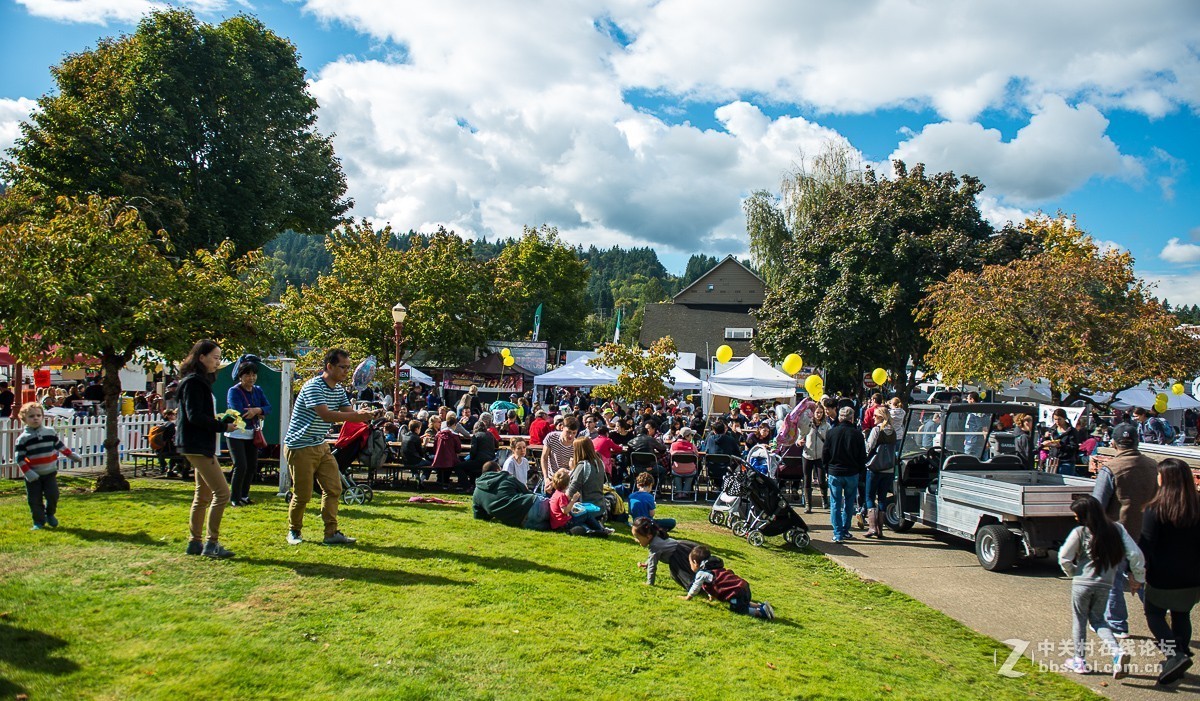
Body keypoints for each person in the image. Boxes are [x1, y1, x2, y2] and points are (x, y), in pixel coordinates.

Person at [283, 348, 375, 546]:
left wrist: (366, 414)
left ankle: (331, 533)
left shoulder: (339, 390)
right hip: (299, 446)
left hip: (319, 445)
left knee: (334, 489)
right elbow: (326, 415)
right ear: (329, 366)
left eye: (349, 368)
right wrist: (355, 416)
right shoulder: (313, 387)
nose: (346, 371)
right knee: (303, 494)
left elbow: (349, 414)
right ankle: (294, 531)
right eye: (343, 367)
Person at [1058, 496, 1145, 678]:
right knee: (1098, 621)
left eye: (1077, 515)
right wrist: (1138, 577)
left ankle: (1079, 660)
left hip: (1082, 584)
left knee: (1080, 621)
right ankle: (1117, 652)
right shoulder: (1117, 529)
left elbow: (1064, 557)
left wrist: (1073, 573)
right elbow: (1135, 554)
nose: (1075, 519)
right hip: (1106, 584)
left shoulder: (1080, 532)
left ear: (1084, 516)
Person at [1090, 422, 1159, 638]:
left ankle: (1117, 625)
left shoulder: (1111, 469)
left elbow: (1097, 505)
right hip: (1147, 533)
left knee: (1113, 581)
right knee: (1143, 579)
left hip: (1117, 533)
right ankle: (1160, 622)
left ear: (1114, 443)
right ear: (1137, 441)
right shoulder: (1153, 466)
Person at [1137, 458, 1200, 685]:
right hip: (1192, 577)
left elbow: (1146, 546)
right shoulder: (1196, 507)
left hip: (1161, 577)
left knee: (1154, 615)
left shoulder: (1155, 510)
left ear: (1165, 479)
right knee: (1181, 614)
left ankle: (1175, 655)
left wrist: (1135, 573)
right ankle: (1180, 657)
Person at [176, 340, 238, 558]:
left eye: (219, 358)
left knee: (202, 495)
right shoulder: (194, 382)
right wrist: (223, 425)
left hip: (198, 444)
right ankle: (212, 543)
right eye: (214, 357)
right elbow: (195, 416)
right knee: (222, 493)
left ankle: (195, 542)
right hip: (198, 445)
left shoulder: (197, 381)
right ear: (201, 357)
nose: (217, 362)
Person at [15, 402, 82, 529]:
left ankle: (49, 514)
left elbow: (60, 446)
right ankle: (38, 522)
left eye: (38, 415)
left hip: (50, 472)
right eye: (31, 416)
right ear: (24, 419)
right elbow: (20, 458)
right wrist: (28, 473)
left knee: (53, 495)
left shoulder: (50, 432)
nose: (35, 418)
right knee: (34, 500)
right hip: (33, 475)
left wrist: (71, 455)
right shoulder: (23, 439)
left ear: (42, 417)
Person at [680, 545, 774, 620]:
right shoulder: (714, 566)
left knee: (738, 609)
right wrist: (711, 596)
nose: (690, 565)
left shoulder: (702, 573)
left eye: (690, 562)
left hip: (735, 592)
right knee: (743, 602)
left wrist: (688, 597)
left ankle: (761, 613)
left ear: (695, 562)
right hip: (743, 586)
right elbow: (713, 584)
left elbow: (696, 587)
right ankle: (761, 605)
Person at [226, 361, 272, 507]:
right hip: (236, 434)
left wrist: (257, 411)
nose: (251, 378)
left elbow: (268, 407)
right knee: (241, 465)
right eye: (248, 375)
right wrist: (257, 411)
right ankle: (235, 497)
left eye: (253, 374)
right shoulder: (234, 391)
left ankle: (244, 495)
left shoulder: (257, 390)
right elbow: (238, 410)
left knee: (252, 466)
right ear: (241, 376)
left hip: (252, 433)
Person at [823, 406, 867, 544]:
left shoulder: (831, 433)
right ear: (852, 418)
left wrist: (826, 469)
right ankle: (845, 529)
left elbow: (825, 454)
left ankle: (837, 533)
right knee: (849, 503)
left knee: (835, 503)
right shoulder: (857, 434)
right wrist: (861, 471)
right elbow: (862, 456)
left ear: (840, 417)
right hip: (851, 472)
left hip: (835, 471)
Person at [472, 460, 551, 530]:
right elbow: (526, 491)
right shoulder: (506, 478)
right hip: (531, 505)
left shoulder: (477, 491)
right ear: (497, 470)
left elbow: (478, 516)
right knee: (556, 510)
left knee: (550, 526)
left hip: (520, 521)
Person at [631, 517, 701, 589]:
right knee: (696, 570)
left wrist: (649, 583)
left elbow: (652, 565)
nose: (636, 540)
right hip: (682, 549)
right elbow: (652, 558)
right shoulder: (656, 535)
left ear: (648, 536)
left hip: (679, 556)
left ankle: (701, 586)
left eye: (637, 537)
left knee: (687, 577)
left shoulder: (655, 545)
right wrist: (647, 563)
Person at [863, 406, 896, 539]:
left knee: (870, 496)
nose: (873, 418)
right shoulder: (893, 431)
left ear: (881, 417)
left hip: (875, 467)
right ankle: (880, 528)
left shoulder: (877, 430)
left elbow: (869, 447)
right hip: (888, 468)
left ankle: (872, 527)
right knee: (882, 497)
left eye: (876, 416)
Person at [547, 468, 610, 536]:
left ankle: (587, 530)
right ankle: (600, 530)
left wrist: (574, 503)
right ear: (567, 485)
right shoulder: (561, 496)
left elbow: (563, 507)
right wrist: (573, 500)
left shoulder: (556, 493)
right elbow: (565, 511)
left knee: (581, 518)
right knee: (586, 515)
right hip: (564, 523)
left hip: (557, 524)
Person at [567, 436, 607, 514]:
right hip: (600, 506)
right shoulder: (599, 462)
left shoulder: (582, 466)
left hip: (585, 509)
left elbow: (571, 490)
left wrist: (572, 470)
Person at [801, 404, 829, 514]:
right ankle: (808, 505)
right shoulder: (807, 424)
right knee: (807, 480)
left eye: (821, 412)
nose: (819, 414)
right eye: (817, 412)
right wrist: (799, 442)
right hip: (807, 455)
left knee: (822, 480)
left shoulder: (826, 426)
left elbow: (829, 440)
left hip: (820, 456)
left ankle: (824, 499)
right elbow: (800, 436)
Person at [539, 415, 578, 489]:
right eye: (568, 432)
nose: (570, 436)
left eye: (574, 433)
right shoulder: (551, 437)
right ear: (562, 427)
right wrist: (546, 478)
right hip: (551, 478)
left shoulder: (576, 444)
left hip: (566, 481)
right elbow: (544, 458)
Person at [1043, 408, 1080, 476]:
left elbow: (1074, 447)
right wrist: (1045, 437)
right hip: (1053, 460)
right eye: (1055, 419)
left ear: (1064, 418)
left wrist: (1061, 446)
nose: (1057, 421)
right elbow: (1044, 442)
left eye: (1059, 419)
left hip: (1066, 461)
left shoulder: (1071, 431)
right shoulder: (1052, 430)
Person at [431, 414, 465, 488]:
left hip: (438, 458)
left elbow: (435, 447)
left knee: (443, 464)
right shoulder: (454, 436)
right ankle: (461, 483)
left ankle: (440, 480)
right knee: (460, 464)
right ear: (455, 425)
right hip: (450, 459)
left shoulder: (438, 435)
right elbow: (458, 450)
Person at [668, 426, 699, 497]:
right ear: (687, 436)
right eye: (691, 435)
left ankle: (679, 492)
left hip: (676, 469)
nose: (692, 437)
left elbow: (670, 456)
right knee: (691, 472)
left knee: (677, 474)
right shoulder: (692, 446)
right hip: (690, 470)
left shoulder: (673, 445)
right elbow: (697, 456)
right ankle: (685, 492)